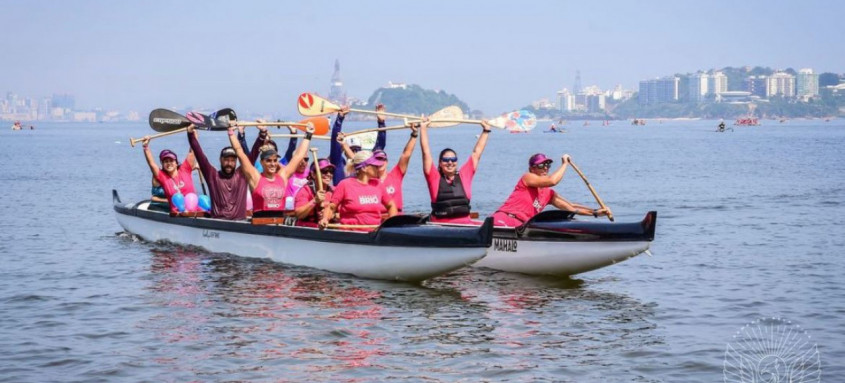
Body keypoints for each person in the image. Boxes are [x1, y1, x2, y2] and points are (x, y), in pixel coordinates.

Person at [491, 153, 609, 227]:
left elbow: (571, 207)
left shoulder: (549, 194)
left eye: (547, 165)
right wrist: (564, 164)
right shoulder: (527, 178)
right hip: (505, 218)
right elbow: (552, 181)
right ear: (532, 168)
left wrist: (595, 212)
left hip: (522, 225)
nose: (545, 168)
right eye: (541, 165)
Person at [420, 118, 491, 224]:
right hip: (440, 225)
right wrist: (423, 128)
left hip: (465, 224)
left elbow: (476, 153)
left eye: (453, 159)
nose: (450, 162)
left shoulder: (464, 175)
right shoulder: (433, 177)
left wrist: (486, 131)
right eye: (445, 160)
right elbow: (426, 152)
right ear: (440, 163)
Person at [229, 123, 312, 214]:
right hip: (259, 224)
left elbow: (298, 156)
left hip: (279, 224)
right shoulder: (256, 178)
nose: (273, 164)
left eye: (275, 160)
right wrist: (231, 132)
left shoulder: (282, 177)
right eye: (268, 161)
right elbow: (239, 151)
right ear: (262, 162)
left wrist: (308, 134)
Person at [319, 150, 398, 230]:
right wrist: (325, 219)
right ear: (364, 168)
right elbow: (331, 207)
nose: (378, 168)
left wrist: (391, 225)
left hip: (373, 233)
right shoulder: (345, 184)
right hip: (350, 234)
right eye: (375, 165)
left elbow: (391, 205)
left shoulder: (378, 184)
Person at [186, 124, 249, 220]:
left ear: (236, 162)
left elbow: (250, 158)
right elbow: (199, 155)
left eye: (233, 161)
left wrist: (262, 134)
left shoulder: (242, 175)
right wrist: (191, 135)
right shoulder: (212, 176)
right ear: (220, 160)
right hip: (218, 223)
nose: (229, 163)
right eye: (226, 160)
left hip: (240, 224)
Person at [140, 135, 197, 214]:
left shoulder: (185, 169)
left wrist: (193, 134)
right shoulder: (163, 177)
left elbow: (192, 151)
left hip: (195, 211)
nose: (169, 163)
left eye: (171, 161)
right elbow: (152, 164)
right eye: (166, 162)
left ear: (176, 163)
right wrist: (146, 146)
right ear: (162, 165)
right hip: (177, 214)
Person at [293, 158, 336, 227]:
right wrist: (314, 201)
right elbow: (299, 215)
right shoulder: (305, 191)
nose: (329, 174)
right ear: (313, 174)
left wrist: (330, 215)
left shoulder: (334, 191)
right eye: (324, 171)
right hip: (307, 231)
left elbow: (344, 214)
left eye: (331, 171)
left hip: (327, 230)